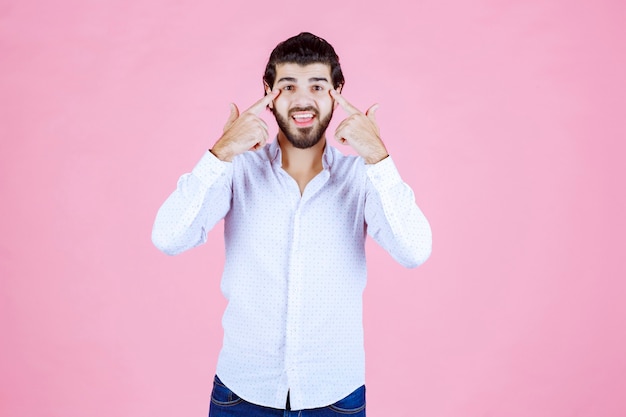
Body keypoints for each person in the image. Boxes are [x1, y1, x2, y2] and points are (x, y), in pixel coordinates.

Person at [152, 32, 432, 417]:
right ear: (268, 93)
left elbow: (415, 250)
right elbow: (168, 237)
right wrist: (220, 152)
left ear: (337, 91)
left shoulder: (363, 178)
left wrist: (380, 159)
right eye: (288, 86)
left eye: (317, 85)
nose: (303, 100)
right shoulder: (237, 170)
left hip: (335, 399)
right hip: (241, 396)